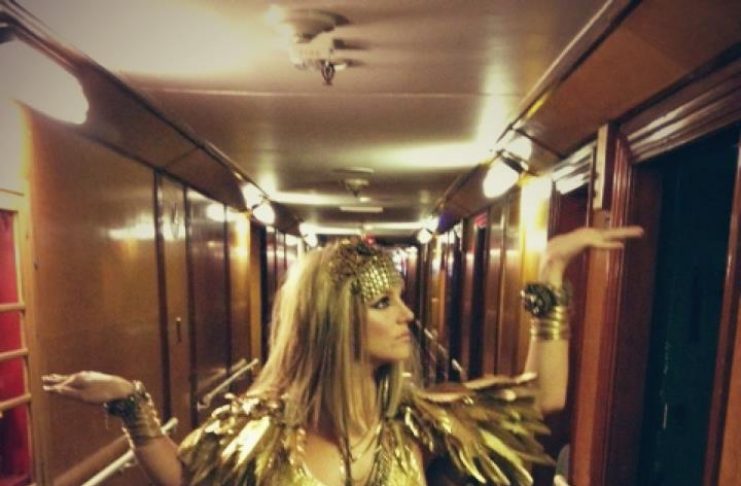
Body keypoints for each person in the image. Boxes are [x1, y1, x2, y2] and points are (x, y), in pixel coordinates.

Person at [43, 226, 643, 485]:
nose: (407, 316)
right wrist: (133, 404)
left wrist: (551, 273)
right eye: (383, 303)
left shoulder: (418, 423)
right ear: (335, 323)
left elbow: (543, 396)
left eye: (400, 299)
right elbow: (185, 477)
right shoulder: (261, 427)